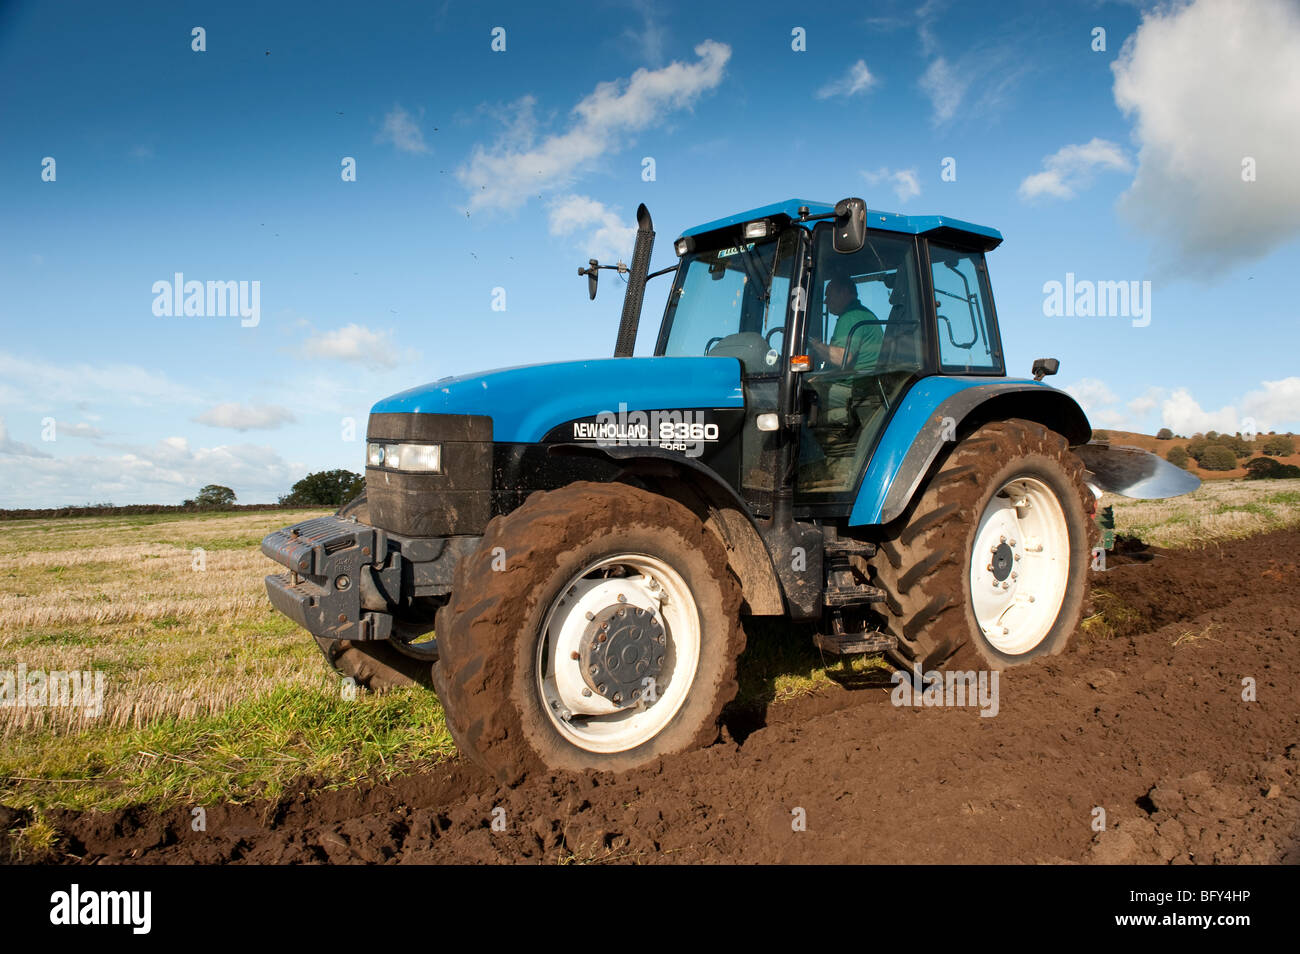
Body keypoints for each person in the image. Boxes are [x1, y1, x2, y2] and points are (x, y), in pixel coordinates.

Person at [807, 277, 881, 371]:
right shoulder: (863, 314)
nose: (825, 301)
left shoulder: (851, 317)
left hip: (846, 383)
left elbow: (842, 358)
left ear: (844, 293)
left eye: (828, 295)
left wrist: (814, 344)